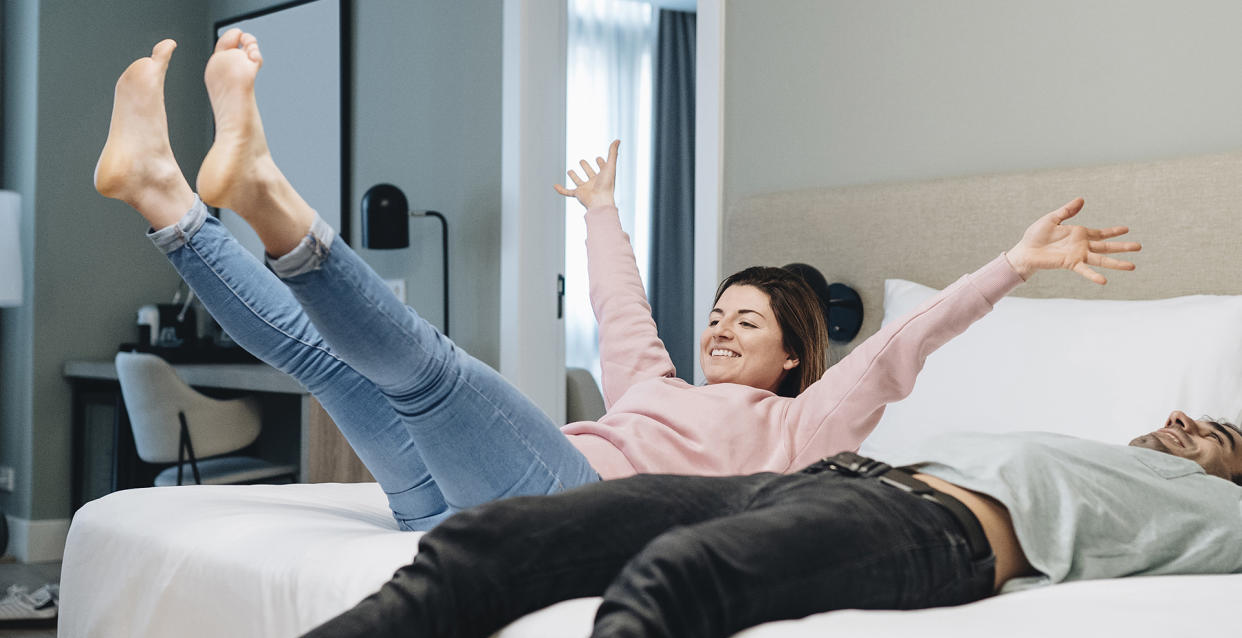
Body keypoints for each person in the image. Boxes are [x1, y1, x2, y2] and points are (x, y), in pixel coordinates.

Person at [95, 33, 1138, 530]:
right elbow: (621, 306)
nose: (722, 328)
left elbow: (908, 346)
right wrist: (599, 213)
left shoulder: (807, 431)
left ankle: (265, 191)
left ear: (792, 358)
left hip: (570, 510)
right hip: (447, 502)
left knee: (431, 374)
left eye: (747, 322)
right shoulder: (655, 385)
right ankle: (163, 199)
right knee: (329, 363)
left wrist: (1012, 265)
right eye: (720, 312)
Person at [189, 411, 1242, 638]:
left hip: (937, 527)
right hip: (825, 479)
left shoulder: (1216, 517)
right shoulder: (1098, 440)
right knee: (484, 541)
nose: (1184, 421)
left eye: (1217, 431)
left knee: (675, 578)